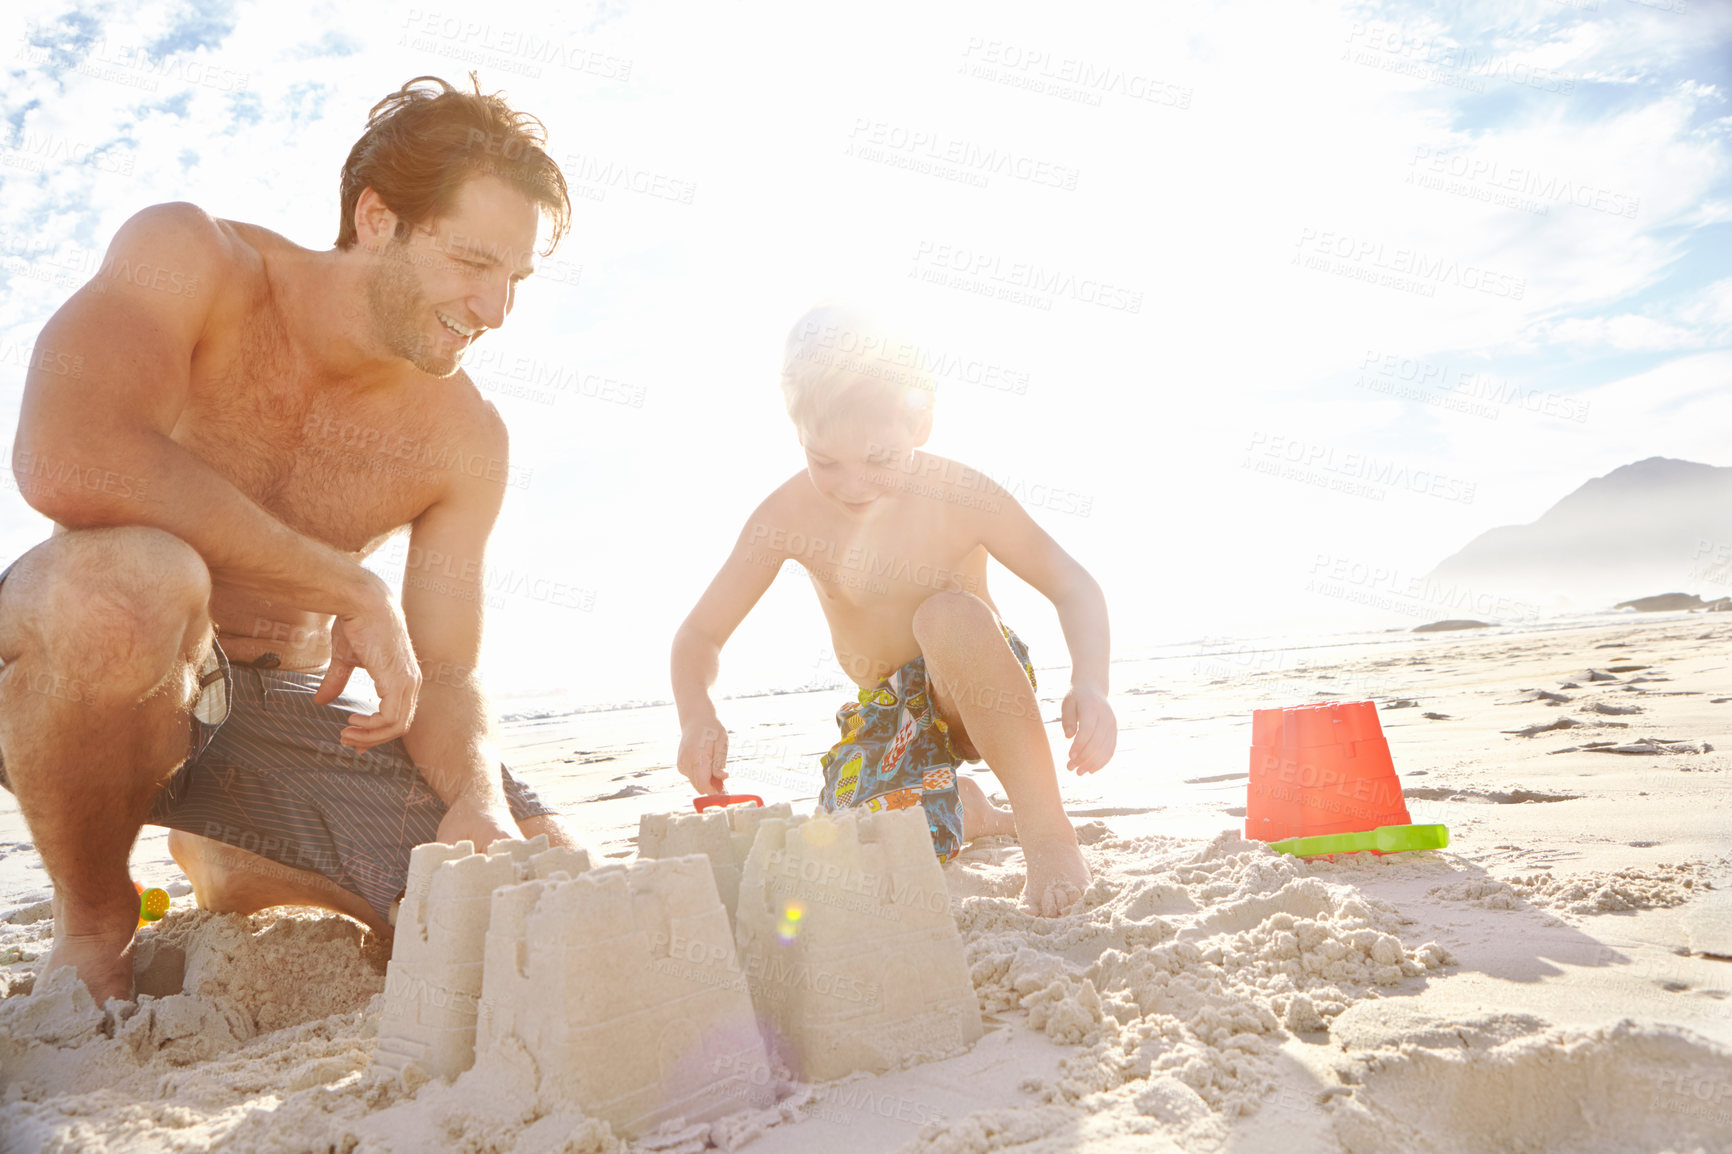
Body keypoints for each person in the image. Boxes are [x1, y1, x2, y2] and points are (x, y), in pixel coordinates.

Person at [0, 74, 581, 1004]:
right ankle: (94, 918)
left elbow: (448, 672)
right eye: (474, 263)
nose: (496, 310)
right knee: (134, 582)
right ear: (379, 217)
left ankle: (229, 851)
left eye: (514, 278)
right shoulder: (190, 258)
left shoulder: (468, 440)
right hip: (80, 675)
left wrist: (476, 798)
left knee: (530, 881)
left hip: (269, 704)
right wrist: (351, 587)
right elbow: (67, 456)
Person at [671, 302, 1116, 917]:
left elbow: (1073, 584)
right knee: (856, 844)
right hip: (887, 709)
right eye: (825, 461)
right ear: (797, 432)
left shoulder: (960, 493)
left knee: (944, 616)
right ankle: (968, 809)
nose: (853, 485)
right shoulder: (786, 517)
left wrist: (1091, 682)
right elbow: (700, 634)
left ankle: (1046, 834)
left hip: (974, 679)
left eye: (878, 459)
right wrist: (698, 715)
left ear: (921, 423)